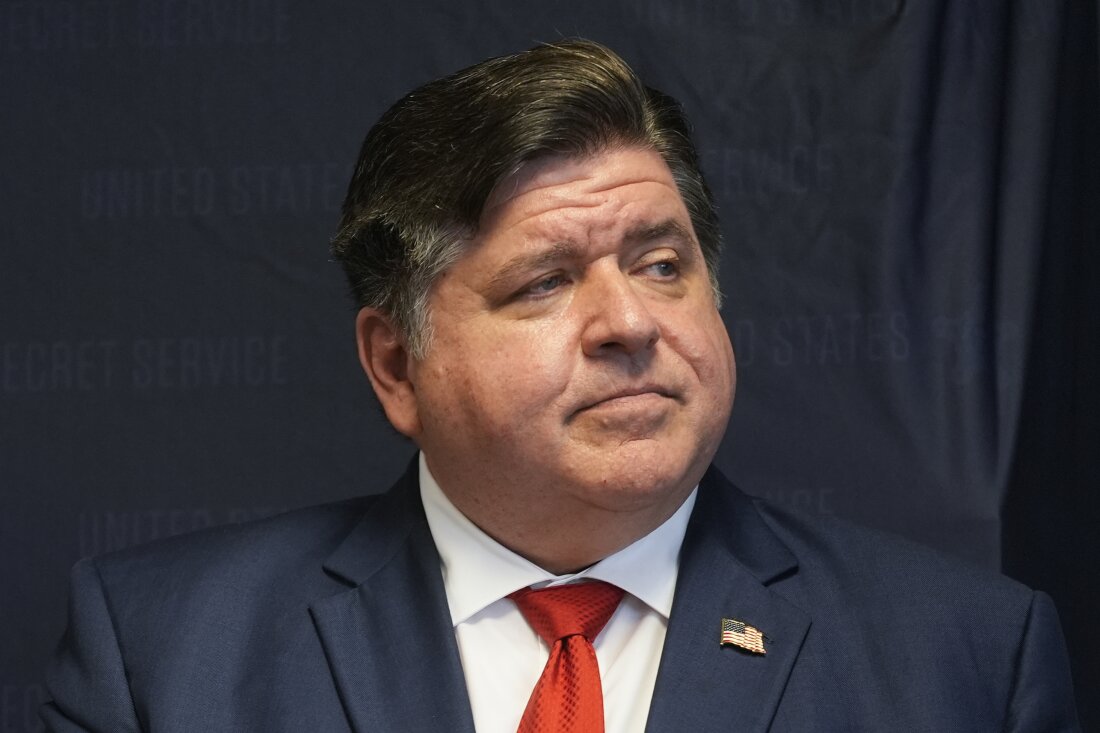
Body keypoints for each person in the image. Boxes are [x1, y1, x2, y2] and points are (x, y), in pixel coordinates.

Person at [42, 39, 1079, 732]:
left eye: (661, 262)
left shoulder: (968, 660)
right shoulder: (162, 657)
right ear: (395, 364)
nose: (629, 322)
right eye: (544, 281)